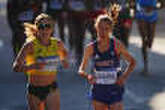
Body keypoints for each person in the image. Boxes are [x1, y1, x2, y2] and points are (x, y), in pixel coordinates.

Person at [78, 14, 136, 110]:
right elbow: (81, 69)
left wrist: (123, 77)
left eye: (106, 29)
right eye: (100, 28)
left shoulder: (117, 45)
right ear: (96, 28)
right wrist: (88, 76)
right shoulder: (90, 48)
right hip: (98, 91)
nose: (103, 32)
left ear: (110, 30)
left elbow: (132, 62)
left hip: (115, 89)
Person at [12, 13, 68, 110]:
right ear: (37, 29)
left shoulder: (58, 44)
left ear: (52, 28)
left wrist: (64, 61)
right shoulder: (30, 45)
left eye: (48, 26)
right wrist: (32, 66)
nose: (44, 29)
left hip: (51, 89)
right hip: (34, 90)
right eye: (41, 27)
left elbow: (65, 55)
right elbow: (16, 67)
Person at [135, 0, 160, 75]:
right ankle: (145, 66)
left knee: (150, 42)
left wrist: (157, 6)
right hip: (141, 12)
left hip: (153, 13)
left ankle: (149, 42)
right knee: (144, 39)